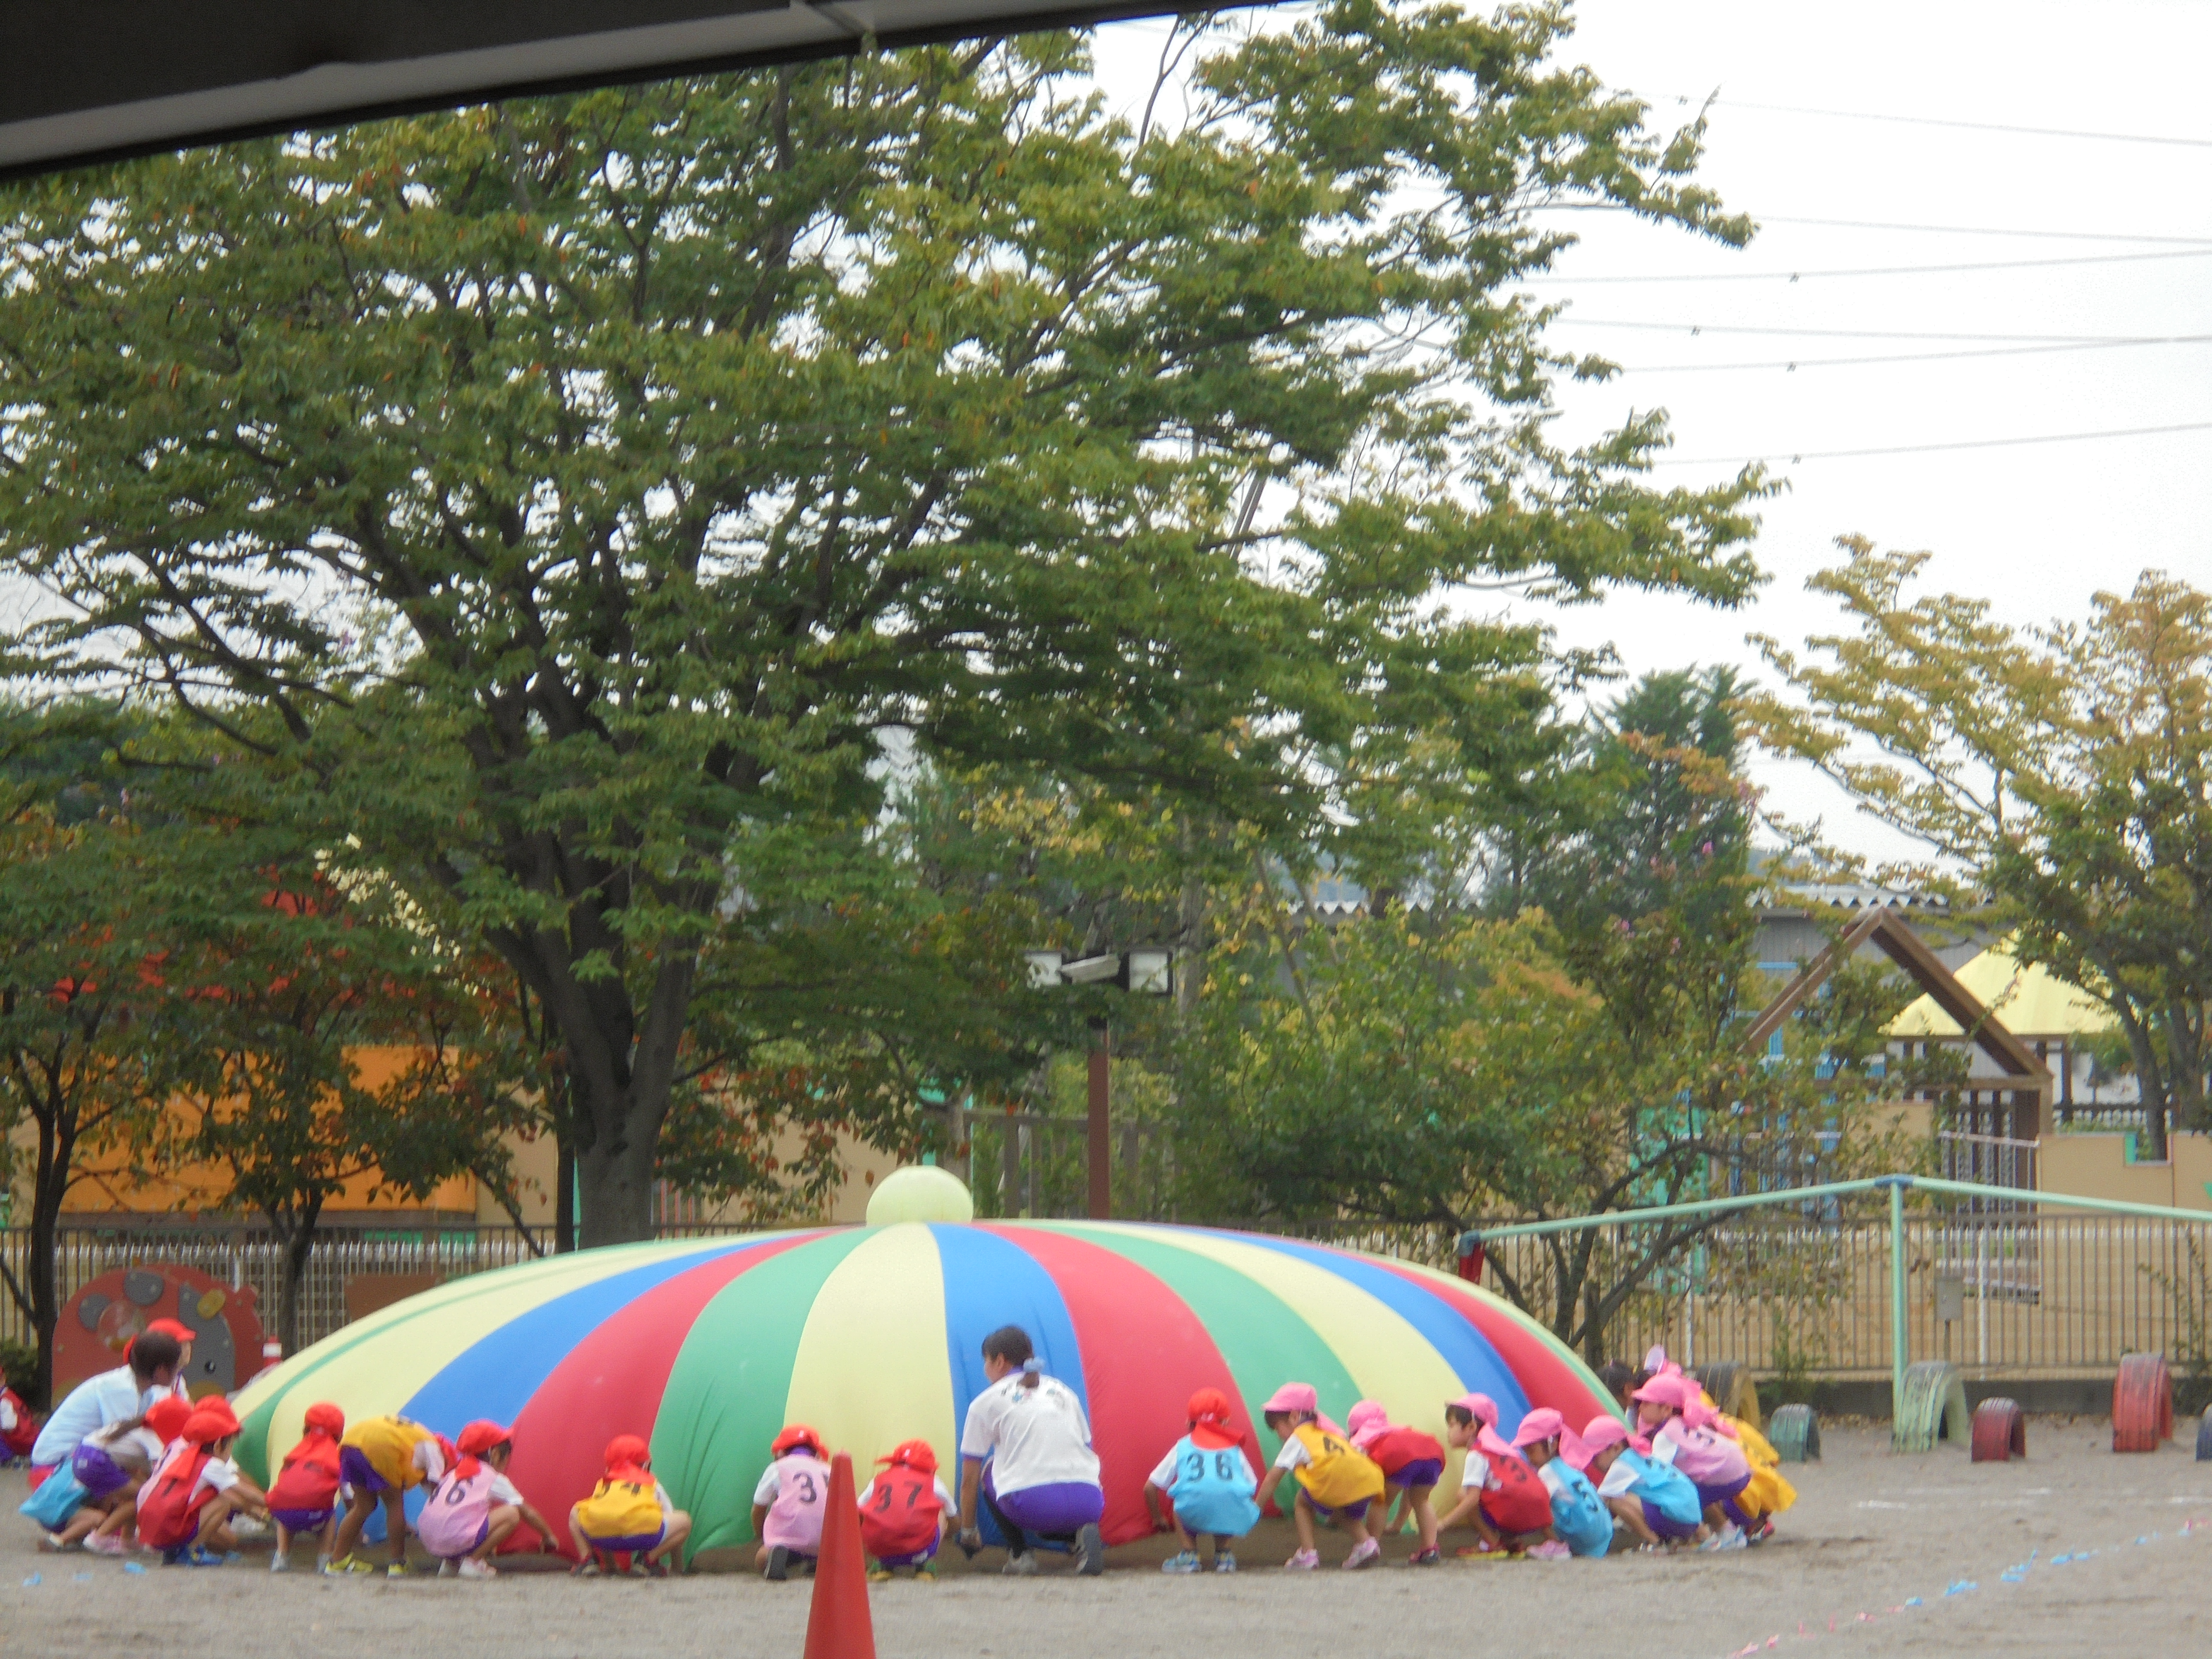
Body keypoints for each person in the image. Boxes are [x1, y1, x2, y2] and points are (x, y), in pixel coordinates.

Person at [954, 1325, 1106, 1577]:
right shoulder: (1063, 1391)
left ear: (1000, 1361)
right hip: (1090, 1502)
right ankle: (1077, 1535)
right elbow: (1085, 1449)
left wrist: (968, 1532)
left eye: (986, 1362)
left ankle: (1020, 1555)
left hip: (1033, 1506)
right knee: (1052, 1506)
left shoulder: (986, 1402)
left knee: (991, 1469)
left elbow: (969, 1480)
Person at [27, 1328, 182, 1483]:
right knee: (142, 1495)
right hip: (54, 1468)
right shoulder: (121, 1389)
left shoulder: (145, 1388)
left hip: (76, 1461)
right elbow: (122, 1445)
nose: (178, 1373)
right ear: (161, 1370)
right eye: (176, 1367)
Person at [1260, 1381, 1384, 1571]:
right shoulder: (1328, 1431)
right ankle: (1366, 1544)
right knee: (1340, 1510)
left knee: (1302, 1501)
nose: (1279, 1435)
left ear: (1294, 1417)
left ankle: (1308, 1554)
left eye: (1278, 1428)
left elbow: (1273, 1478)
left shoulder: (1299, 1437)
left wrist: (1257, 1508)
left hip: (1337, 1480)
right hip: (1367, 1478)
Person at [418, 1420, 559, 1580]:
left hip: (429, 1538)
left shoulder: (453, 1474)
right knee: (511, 1514)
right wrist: (548, 1536)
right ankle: (473, 1562)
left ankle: (452, 1564)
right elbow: (526, 1511)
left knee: (464, 1517)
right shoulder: (490, 1476)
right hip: (454, 1537)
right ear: (495, 1454)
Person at [137, 1399, 267, 1565]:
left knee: (218, 1496)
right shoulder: (211, 1464)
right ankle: (192, 1551)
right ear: (219, 1444)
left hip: (150, 1523)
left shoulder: (187, 1454)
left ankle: (174, 1551)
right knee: (223, 1504)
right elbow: (242, 1490)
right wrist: (273, 1503)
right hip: (168, 1526)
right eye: (231, 1446)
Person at [1144, 1387, 1259, 1574]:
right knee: (1227, 1497)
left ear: (1189, 1421)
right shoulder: (1234, 1449)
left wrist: (1157, 1518)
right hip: (1227, 1511)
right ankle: (1224, 1555)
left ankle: (1189, 1554)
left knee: (1181, 1501)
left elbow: (1150, 1487)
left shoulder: (1183, 1446)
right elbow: (1252, 1484)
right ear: (1226, 1421)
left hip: (1192, 1509)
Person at [1632, 1373, 1752, 1549]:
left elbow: (1657, 1475)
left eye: (1647, 1403)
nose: (1640, 1408)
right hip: (1740, 1469)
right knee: (1693, 1487)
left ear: (1666, 1409)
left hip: (1728, 1474)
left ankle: (1707, 1537)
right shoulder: (1682, 1423)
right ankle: (1728, 1532)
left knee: (1673, 1497)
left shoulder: (1666, 1435)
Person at [1436, 1393, 1557, 1558]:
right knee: (1500, 1493)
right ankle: (1512, 1543)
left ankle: (1492, 1543)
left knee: (1464, 1495)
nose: (1448, 1432)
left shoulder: (1478, 1453)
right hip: (1538, 1518)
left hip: (1514, 1515)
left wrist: (1442, 1524)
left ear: (1471, 1427)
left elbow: (1471, 1500)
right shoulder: (1504, 1449)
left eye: (1451, 1425)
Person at [328, 1413, 447, 1576]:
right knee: (394, 1504)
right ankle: (398, 1564)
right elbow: (437, 1490)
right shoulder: (434, 1449)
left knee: (363, 1506)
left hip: (351, 1441)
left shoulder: (416, 1437)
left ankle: (336, 1562)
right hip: (381, 1443)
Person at [568, 1434, 691, 1577]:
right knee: (683, 1521)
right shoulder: (650, 1482)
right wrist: (677, 1566)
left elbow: (602, 1514)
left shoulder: (605, 1483)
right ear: (645, 1464)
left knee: (581, 1512)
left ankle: (589, 1561)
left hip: (601, 1539)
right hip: (641, 1537)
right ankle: (647, 1562)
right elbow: (669, 1514)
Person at [1574, 1415, 1705, 1549]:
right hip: (1691, 1519)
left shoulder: (1622, 1465)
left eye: (1595, 1456)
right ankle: (1677, 1538)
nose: (1592, 1463)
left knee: (1615, 1501)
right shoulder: (1637, 1455)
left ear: (1616, 1447)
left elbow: (1598, 1503)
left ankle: (1654, 1542)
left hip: (1679, 1520)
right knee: (1622, 1494)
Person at [1345, 1400, 1445, 1566]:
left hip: (1398, 1455)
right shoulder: (1399, 1429)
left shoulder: (1363, 1436)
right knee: (1421, 1501)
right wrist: (1399, 1522)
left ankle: (1369, 1546)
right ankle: (1430, 1548)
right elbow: (1408, 1488)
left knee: (1382, 1502)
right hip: (1432, 1452)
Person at [1510, 1409, 1613, 1558]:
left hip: (1585, 1536)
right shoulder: (1568, 1466)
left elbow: (1535, 1503)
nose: (1529, 1459)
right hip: (1603, 1535)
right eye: (1526, 1453)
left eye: (1532, 1451)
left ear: (1553, 1443)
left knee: (1536, 1504)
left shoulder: (1548, 1471)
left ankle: (1558, 1547)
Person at [265, 1403, 346, 1573]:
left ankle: (282, 1556)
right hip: (316, 1515)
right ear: (339, 1436)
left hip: (283, 1513)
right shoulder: (334, 1455)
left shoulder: (295, 1453)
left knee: (287, 1506)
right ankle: (325, 1558)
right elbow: (347, 1494)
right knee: (329, 1513)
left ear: (305, 1430)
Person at [859, 1438, 955, 1581]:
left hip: (881, 1549)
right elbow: (954, 1517)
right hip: (920, 1552)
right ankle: (926, 1566)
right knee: (940, 1510)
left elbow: (857, 1509)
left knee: (870, 1509)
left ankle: (882, 1566)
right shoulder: (933, 1481)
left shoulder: (880, 1479)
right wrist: (952, 1534)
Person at [750, 1423, 832, 1580]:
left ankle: (776, 1555)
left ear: (781, 1451)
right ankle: (817, 1561)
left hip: (788, 1537)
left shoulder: (778, 1467)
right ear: (815, 1452)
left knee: (761, 1557)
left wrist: (761, 1535)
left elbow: (759, 1508)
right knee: (819, 1548)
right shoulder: (828, 1470)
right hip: (825, 1538)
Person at [1, 1358, 39, 1463]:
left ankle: (9, 1459)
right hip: (31, 1436)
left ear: (3, 1380)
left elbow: (8, 1427)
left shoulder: (4, 1401)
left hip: (22, 1441)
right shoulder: (10, 1395)